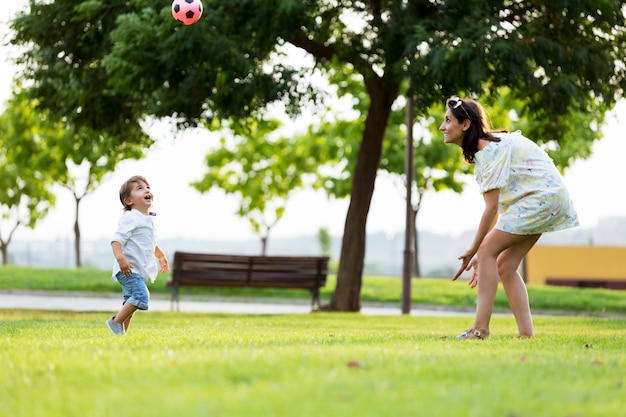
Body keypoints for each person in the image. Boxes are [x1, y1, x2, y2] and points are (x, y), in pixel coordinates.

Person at [440, 96, 579, 339]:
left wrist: (477, 251)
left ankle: (480, 329)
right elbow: (495, 211)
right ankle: (527, 335)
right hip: (547, 199)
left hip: (539, 200)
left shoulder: (488, 151)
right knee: (505, 265)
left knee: (488, 252)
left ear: (465, 125)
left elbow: (491, 209)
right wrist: (484, 256)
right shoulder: (489, 148)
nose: (442, 127)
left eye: (447, 120)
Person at [105, 175, 169, 335]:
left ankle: (121, 334)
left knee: (129, 303)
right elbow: (116, 241)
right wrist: (121, 260)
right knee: (141, 296)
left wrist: (160, 256)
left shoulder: (149, 219)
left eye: (148, 187)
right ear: (128, 201)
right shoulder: (131, 217)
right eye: (140, 188)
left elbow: (149, 243)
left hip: (137, 270)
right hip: (128, 269)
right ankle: (115, 322)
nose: (147, 190)